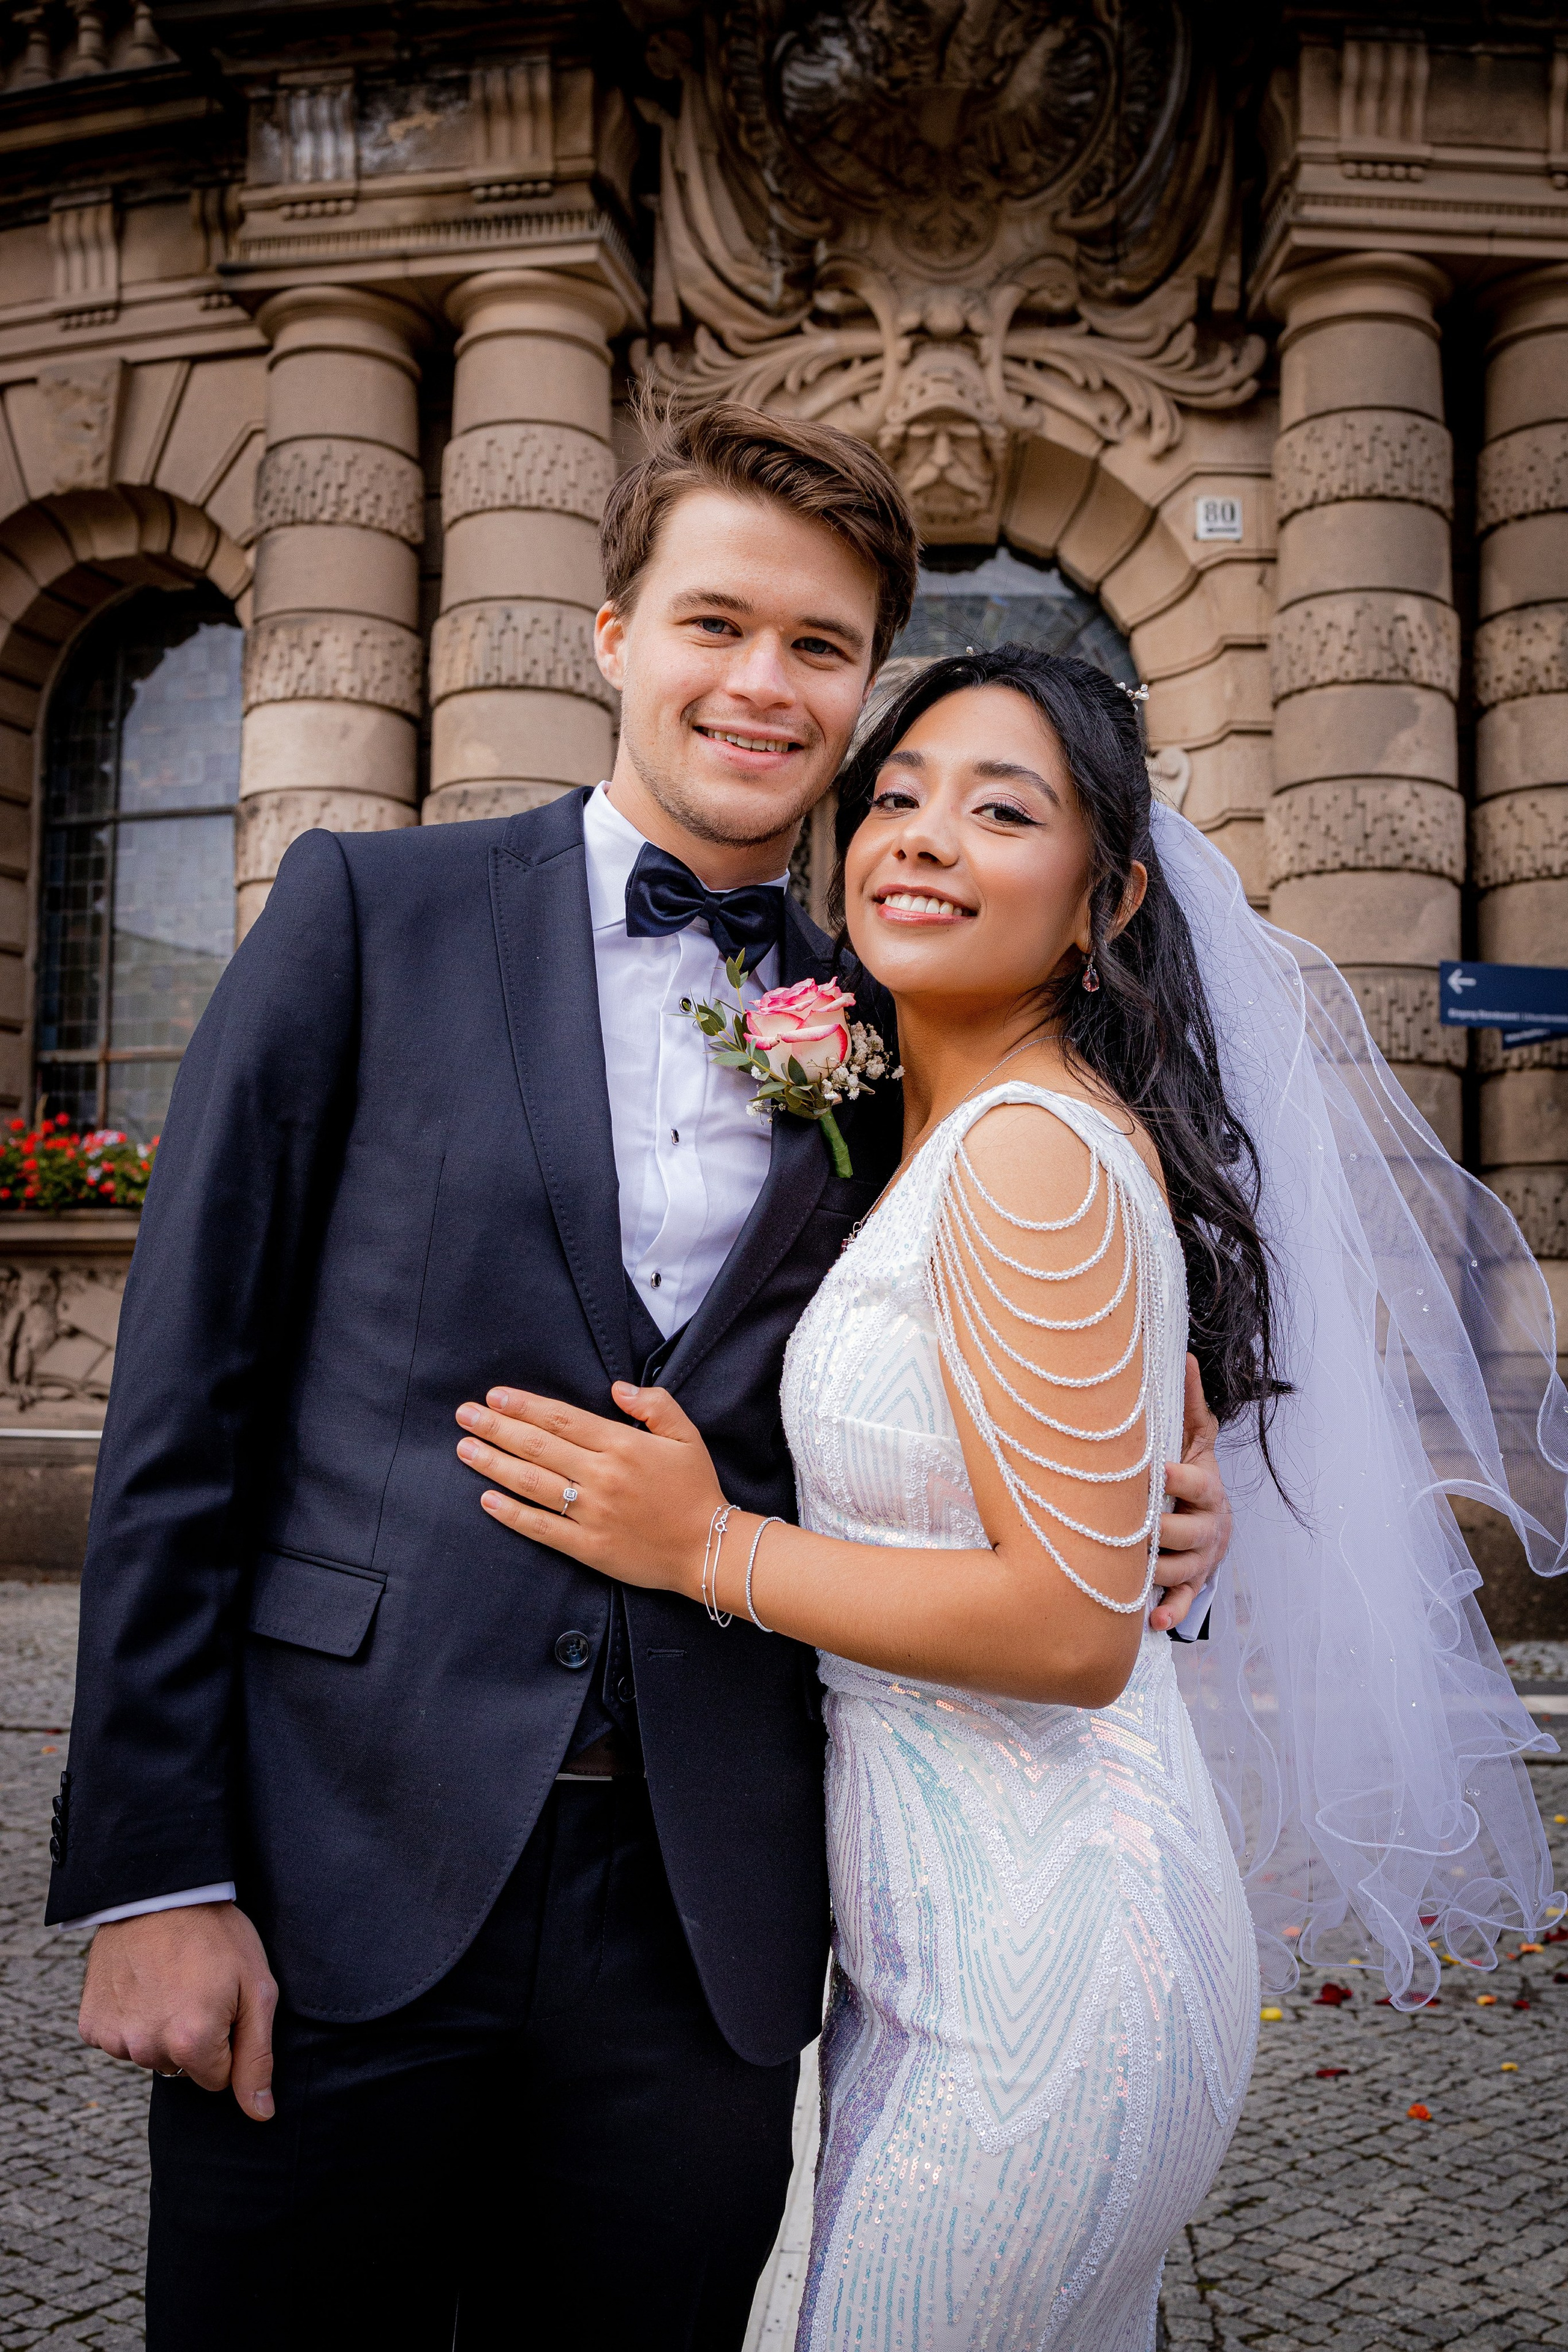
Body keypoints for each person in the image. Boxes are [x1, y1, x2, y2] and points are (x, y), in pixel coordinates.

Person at [45, 409, 1230, 2351]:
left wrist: (1167, 1491)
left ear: (857, 692)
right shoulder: (364, 914)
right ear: (612, 633)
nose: (763, 686)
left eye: (821, 649)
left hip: (715, 1920)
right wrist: (156, 1876)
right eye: (715, 623)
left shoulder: (901, 1002)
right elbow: (184, 1417)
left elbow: (1008, 1342)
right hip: (342, 1862)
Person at [459, 646, 1568, 2350]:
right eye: (894, 799)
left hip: (1048, 1972)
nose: (918, 838)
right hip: (936, 1953)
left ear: (1104, 897)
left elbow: (1068, 1627)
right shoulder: (933, 1138)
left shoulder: (1030, 1156)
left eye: (999, 810)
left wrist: (708, 1547)